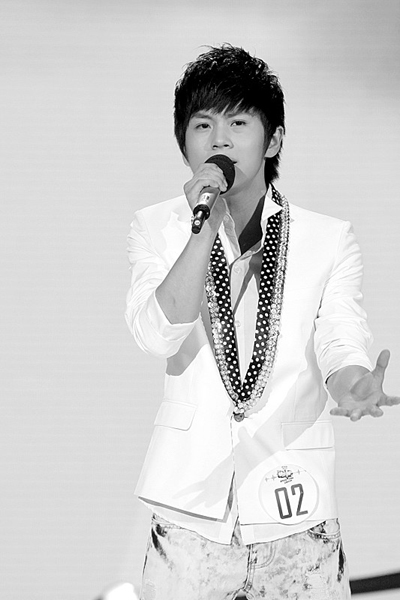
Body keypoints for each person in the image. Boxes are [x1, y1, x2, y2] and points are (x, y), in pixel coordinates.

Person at [125, 44, 399, 600]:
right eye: (203, 124)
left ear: (272, 140)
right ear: (184, 143)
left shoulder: (327, 238)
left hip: (296, 514)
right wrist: (203, 229)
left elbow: (340, 336)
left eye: (238, 123)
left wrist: (353, 382)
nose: (219, 140)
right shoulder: (157, 228)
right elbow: (156, 335)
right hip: (189, 516)